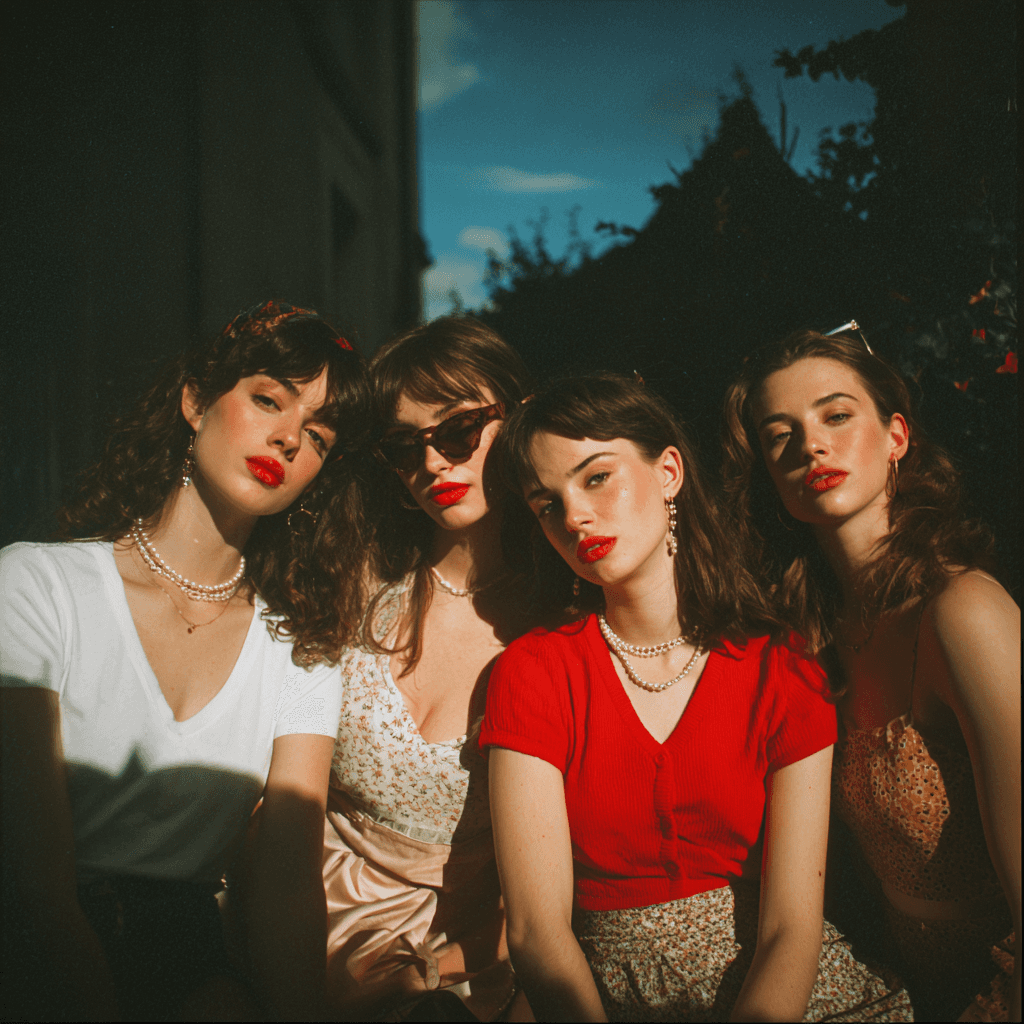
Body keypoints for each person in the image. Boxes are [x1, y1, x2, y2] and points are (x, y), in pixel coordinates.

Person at [481, 372, 913, 1022]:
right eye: (546, 503)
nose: (573, 516)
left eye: (596, 476)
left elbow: (792, 926)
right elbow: (539, 936)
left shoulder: (783, 663)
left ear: (669, 472)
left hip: (782, 996)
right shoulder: (534, 671)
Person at [0, 301, 369, 1022]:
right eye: (268, 400)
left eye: (319, 436)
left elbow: (289, 885)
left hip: (191, 969)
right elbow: (33, 884)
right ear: (195, 400)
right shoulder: (34, 585)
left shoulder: (301, 648)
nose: (290, 438)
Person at [722, 327, 1020, 1021]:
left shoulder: (962, 613)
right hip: (898, 992)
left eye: (835, 415)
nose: (811, 446)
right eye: (779, 435)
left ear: (896, 435)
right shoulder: (809, 640)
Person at [321, 317, 534, 1021]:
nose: (434, 464)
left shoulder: (567, 631)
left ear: (518, 417)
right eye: (404, 447)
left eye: (458, 432)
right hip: (302, 928)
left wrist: (435, 971)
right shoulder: (354, 586)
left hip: (464, 967)